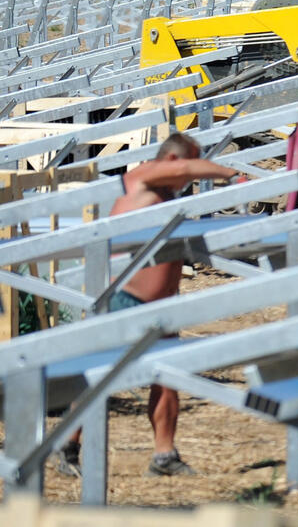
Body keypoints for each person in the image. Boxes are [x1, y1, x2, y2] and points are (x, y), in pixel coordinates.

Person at [56, 133, 242, 479]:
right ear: (171, 160)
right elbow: (188, 165)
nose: (189, 179)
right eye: (187, 167)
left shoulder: (166, 197)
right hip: (125, 302)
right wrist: (233, 174)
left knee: (168, 379)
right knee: (99, 379)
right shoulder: (142, 179)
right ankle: (67, 445)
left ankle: (164, 456)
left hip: (157, 308)